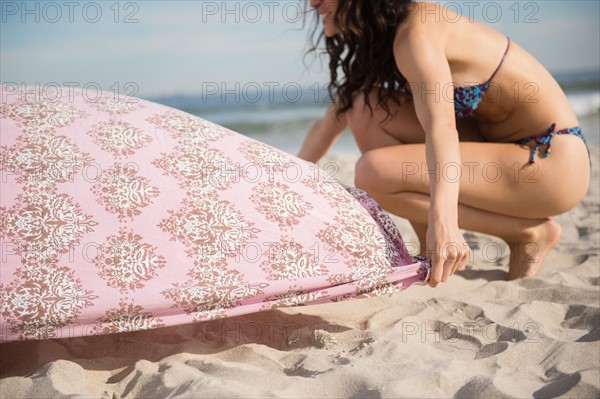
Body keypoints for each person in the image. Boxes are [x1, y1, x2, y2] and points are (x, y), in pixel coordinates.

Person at [298, 0, 591, 287]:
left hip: (551, 162)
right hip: (504, 152)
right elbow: (327, 125)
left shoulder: (416, 31)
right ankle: (432, 252)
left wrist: (445, 224)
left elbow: (441, 128)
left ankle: (526, 233)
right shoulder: (389, 36)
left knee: (372, 173)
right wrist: (284, 179)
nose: (312, 3)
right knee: (363, 108)